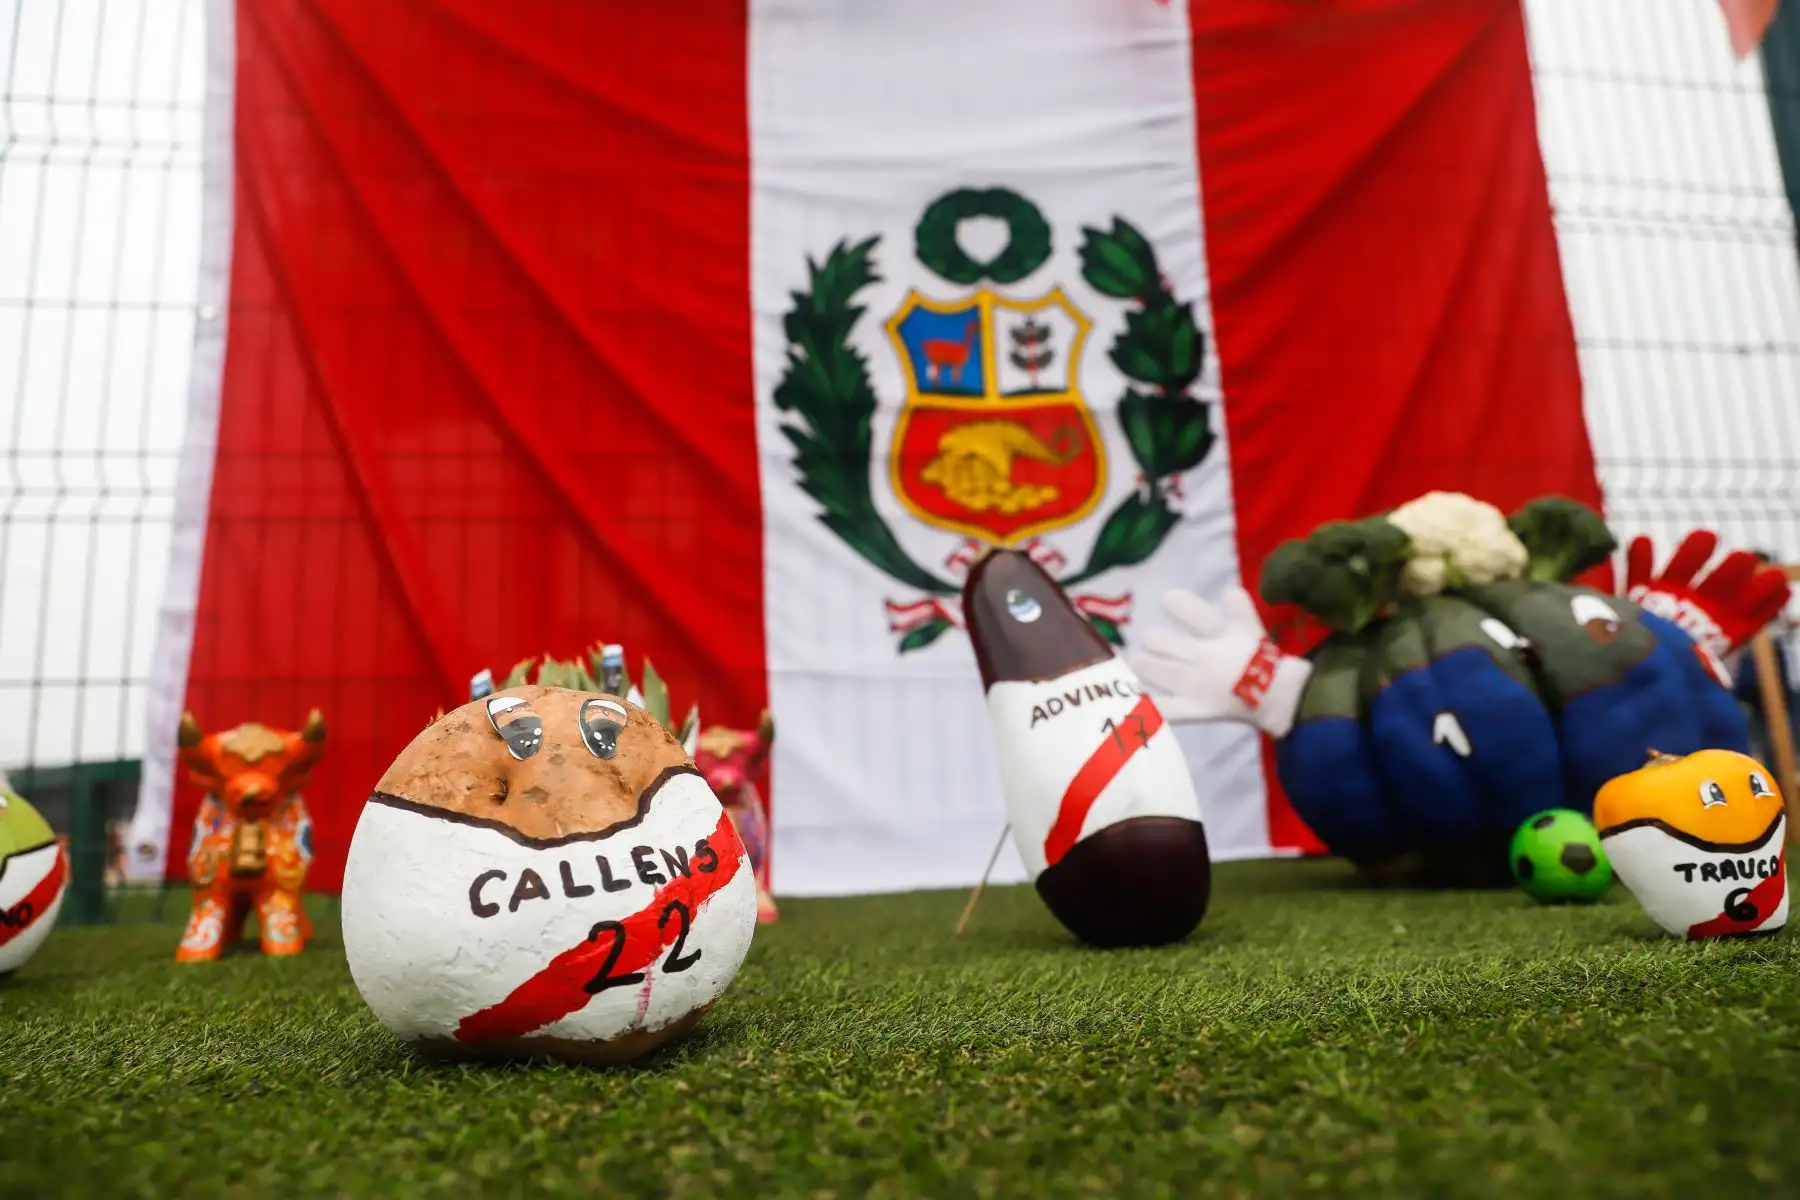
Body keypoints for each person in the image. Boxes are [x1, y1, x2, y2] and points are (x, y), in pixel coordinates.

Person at [1731, 550, 1799, 765]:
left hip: (1756, 663)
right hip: (1754, 663)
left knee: (1774, 720)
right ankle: (1776, 765)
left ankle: (1777, 764)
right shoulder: (1748, 594)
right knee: (1775, 717)